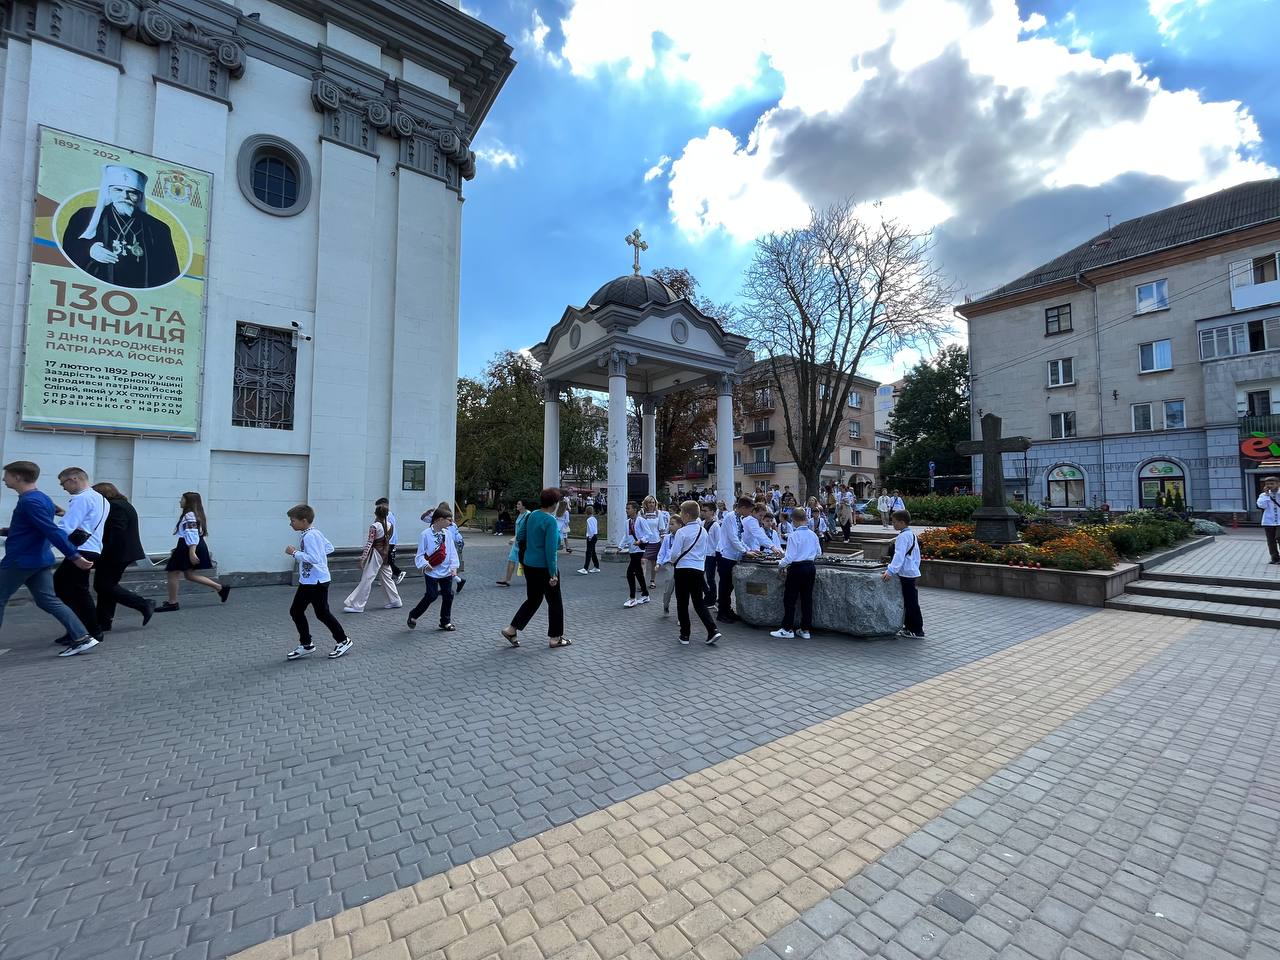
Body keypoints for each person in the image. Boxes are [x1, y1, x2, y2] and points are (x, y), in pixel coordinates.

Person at [0, 461, 96, 656]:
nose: (3, 479)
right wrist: (4, 531)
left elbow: (51, 530)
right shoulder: (41, 498)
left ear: (18, 477)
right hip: (39, 559)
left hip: (21, 560)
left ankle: (82, 637)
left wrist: (74, 556)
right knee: (48, 600)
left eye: (7, 475)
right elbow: (32, 527)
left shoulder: (30, 501)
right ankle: (82, 637)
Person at [62, 165, 181, 289]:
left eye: (132, 192)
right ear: (108, 192)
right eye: (118, 190)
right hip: (95, 289)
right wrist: (89, 250)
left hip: (141, 296)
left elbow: (170, 272)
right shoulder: (85, 216)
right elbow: (67, 248)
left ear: (140, 196)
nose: (124, 196)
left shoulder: (158, 228)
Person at [501, 487, 571, 649]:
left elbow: (521, 537)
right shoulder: (550, 521)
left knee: (533, 599)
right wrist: (553, 574)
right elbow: (550, 550)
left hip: (529, 565)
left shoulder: (531, 515)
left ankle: (511, 629)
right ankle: (555, 637)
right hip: (544, 568)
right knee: (555, 602)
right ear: (554, 503)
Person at [283, 504, 351, 661]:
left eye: (293, 521)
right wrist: (314, 555)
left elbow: (314, 558)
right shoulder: (314, 533)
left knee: (317, 612)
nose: (290, 524)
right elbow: (329, 548)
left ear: (304, 520)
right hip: (311, 580)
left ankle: (342, 640)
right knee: (302, 611)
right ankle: (307, 644)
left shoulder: (310, 536)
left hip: (315, 581)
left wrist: (295, 553)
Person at [52, 467, 109, 643]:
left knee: (68, 589)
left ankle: (88, 631)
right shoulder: (101, 499)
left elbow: (66, 527)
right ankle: (82, 630)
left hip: (81, 549)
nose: (63, 487)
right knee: (73, 589)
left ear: (74, 479)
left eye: (63, 483)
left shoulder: (80, 498)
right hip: (93, 547)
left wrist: (46, 536)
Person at [91, 482, 153, 633]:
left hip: (116, 553)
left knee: (103, 586)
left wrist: (103, 553)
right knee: (107, 586)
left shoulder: (115, 507)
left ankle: (143, 604)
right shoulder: (122, 504)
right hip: (120, 553)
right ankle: (104, 622)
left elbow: (116, 532)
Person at [156, 492, 231, 612]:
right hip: (190, 545)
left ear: (188, 502)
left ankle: (172, 603)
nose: (180, 501)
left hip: (190, 545)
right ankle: (220, 588)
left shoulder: (189, 515)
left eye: (182, 499)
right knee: (189, 575)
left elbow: (191, 533)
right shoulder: (196, 514)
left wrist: (191, 551)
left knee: (173, 573)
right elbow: (191, 533)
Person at [668, 500, 721, 646]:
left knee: (682, 602)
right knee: (698, 602)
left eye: (681, 513)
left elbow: (674, 553)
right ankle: (712, 630)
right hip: (698, 569)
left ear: (686, 514)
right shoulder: (702, 530)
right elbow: (704, 551)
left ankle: (685, 635)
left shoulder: (681, 532)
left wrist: (673, 561)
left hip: (683, 569)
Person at [772, 507, 821, 640]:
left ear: (794, 521)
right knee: (807, 599)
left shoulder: (794, 536)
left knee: (790, 599)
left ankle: (787, 628)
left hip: (797, 568)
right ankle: (805, 629)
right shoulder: (813, 535)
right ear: (805, 519)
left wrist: (780, 564)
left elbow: (789, 557)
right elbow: (819, 552)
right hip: (810, 567)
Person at [408, 508, 459, 631]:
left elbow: (452, 551)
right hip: (432, 571)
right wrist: (425, 564)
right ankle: (413, 615)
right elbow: (419, 554)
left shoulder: (447, 533)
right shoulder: (425, 534)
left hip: (446, 570)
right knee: (431, 595)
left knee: (448, 594)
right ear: (440, 520)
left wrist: (454, 567)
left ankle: (445, 621)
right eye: (449, 520)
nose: (451, 522)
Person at [343, 504, 400, 612]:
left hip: (376, 553)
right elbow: (388, 539)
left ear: (376, 514)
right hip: (385, 553)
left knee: (367, 577)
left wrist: (363, 558)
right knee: (386, 576)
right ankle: (394, 600)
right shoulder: (390, 525)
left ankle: (358, 605)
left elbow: (370, 542)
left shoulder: (374, 526)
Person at [882, 508, 923, 638]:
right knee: (911, 601)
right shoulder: (911, 535)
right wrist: (915, 567)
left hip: (906, 573)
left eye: (894, 522)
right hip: (911, 572)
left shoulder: (902, 537)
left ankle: (916, 629)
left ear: (902, 522)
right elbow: (917, 556)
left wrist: (890, 571)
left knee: (910, 602)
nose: (893, 524)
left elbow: (898, 556)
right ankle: (910, 627)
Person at [716, 498, 753, 623]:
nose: (750, 513)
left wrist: (748, 549)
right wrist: (745, 551)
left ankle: (728, 610)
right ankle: (722, 612)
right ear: (743, 508)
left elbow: (739, 538)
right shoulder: (731, 517)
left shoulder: (738, 518)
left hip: (732, 555)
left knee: (730, 586)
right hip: (725, 555)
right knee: (725, 585)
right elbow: (732, 538)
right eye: (749, 510)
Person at [620, 502, 650, 608]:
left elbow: (648, 534)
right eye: (626, 508)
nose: (626, 510)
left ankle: (632, 597)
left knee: (629, 573)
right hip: (632, 550)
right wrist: (620, 546)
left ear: (635, 509)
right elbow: (626, 535)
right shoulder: (627, 522)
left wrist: (641, 541)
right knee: (638, 573)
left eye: (628, 508)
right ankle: (645, 594)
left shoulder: (641, 520)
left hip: (639, 550)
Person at [656, 514, 684, 614]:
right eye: (669, 524)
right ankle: (665, 604)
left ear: (680, 525)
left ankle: (681, 613)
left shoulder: (684, 536)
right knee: (668, 588)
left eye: (672, 524)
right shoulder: (667, 538)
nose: (670, 526)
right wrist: (658, 563)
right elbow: (662, 551)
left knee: (680, 591)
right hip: (670, 565)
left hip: (681, 566)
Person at [496, 500, 527, 586]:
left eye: (519, 504)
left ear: (524, 506)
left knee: (525, 562)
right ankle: (507, 579)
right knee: (511, 559)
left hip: (524, 543)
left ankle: (532, 578)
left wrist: (515, 538)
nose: (517, 505)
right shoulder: (520, 514)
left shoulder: (527, 515)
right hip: (517, 543)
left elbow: (524, 530)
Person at [376, 498, 406, 584]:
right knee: (384, 560)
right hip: (388, 541)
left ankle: (398, 572)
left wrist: (386, 541)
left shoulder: (388, 515)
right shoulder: (386, 515)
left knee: (387, 560)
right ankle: (386, 578)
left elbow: (390, 528)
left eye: (379, 506)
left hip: (389, 541)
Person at [637, 496, 662, 590]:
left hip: (655, 541)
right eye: (650, 502)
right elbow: (638, 526)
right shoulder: (641, 513)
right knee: (643, 561)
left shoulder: (658, 513)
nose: (652, 504)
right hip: (645, 541)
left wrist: (664, 540)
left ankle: (652, 580)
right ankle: (642, 583)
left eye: (653, 502)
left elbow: (662, 527)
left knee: (654, 563)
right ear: (646, 503)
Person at [699, 502, 720, 606]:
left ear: (712, 512)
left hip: (711, 555)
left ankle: (712, 599)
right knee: (699, 576)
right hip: (702, 555)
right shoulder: (702, 524)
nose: (703, 512)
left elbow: (718, 542)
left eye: (705, 510)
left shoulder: (715, 525)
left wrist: (716, 556)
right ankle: (708, 594)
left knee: (710, 578)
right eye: (702, 510)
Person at [1260, 477, 1280, 564]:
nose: (1269, 486)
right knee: (1271, 541)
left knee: (1279, 537)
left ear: (1278, 484)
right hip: (1268, 521)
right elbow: (1262, 505)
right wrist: (1266, 495)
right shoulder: (1263, 495)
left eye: (1272, 484)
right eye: (1267, 484)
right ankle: (1274, 558)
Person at [578, 505, 600, 574]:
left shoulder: (589, 519)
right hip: (595, 536)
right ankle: (596, 566)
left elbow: (591, 529)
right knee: (592, 552)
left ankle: (585, 568)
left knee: (588, 552)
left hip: (591, 536)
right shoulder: (594, 519)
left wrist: (590, 537)